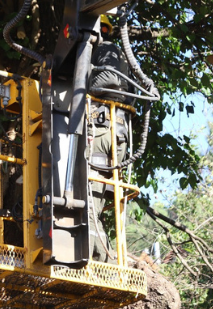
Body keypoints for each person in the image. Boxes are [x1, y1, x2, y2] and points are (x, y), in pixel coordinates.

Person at [88, 14, 131, 263]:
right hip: (113, 132)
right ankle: (100, 252)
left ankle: (100, 258)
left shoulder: (103, 51)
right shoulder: (113, 56)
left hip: (102, 131)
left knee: (88, 195)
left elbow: (109, 80)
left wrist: (79, 83)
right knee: (96, 196)